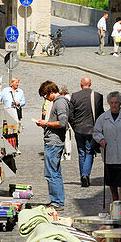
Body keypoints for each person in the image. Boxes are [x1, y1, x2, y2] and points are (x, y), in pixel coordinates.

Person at [35, 80, 69, 210]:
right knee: (54, 172)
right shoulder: (58, 101)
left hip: (54, 142)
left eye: (45, 96)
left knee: (51, 173)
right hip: (53, 141)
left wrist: (46, 124)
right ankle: (57, 200)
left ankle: (57, 202)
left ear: (50, 92)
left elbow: (62, 122)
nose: (46, 99)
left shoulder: (60, 102)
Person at [68, 75, 104, 187]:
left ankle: (82, 176)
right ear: (90, 84)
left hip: (78, 129)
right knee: (89, 152)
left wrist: (74, 126)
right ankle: (85, 174)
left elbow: (70, 114)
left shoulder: (74, 96)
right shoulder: (97, 96)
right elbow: (100, 114)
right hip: (91, 129)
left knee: (81, 152)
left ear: (81, 84)